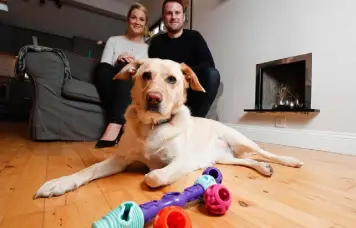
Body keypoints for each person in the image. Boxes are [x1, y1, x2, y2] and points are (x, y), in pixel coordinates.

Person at [148, 0, 221, 118]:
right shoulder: (156, 42)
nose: (173, 17)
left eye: (177, 13)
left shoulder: (195, 37)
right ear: (164, 17)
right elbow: (154, 70)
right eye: (169, 13)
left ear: (183, 17)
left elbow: (209, 63)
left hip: (191, 91)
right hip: (168, 91)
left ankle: (195, 120)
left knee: (213, 74)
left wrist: (183, 71)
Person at [93, 3, 149, 148]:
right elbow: (104, 65)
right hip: (111, 77)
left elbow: (146, 76)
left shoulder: (148, 49)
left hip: (132, 81)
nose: (137, 22)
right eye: (133, 17)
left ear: (145, 24)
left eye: (141, 19)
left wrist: (134, 66)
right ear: (128, 20)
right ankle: (121, 121)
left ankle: (115, 124)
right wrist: (118, 59)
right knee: (103, 68)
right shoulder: (114, 40)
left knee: (129, 70)